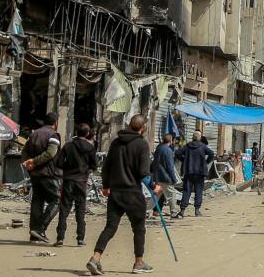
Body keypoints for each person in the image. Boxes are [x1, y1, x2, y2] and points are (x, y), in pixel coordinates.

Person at [87, 115, 158, 275]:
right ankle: (138, 263)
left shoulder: (116, 143)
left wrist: (105, 186)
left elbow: (106, 168)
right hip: (133, 194)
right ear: (143, 127)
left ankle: (95, 258)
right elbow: (143, 173)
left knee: (110, 227)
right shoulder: (142, 145)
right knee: (139, 229)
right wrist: (154, 186)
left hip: (116, 193)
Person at [55, 122, 98, 247]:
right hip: (81, 181)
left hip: (68, 180)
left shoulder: (68, 146)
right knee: (80, 208)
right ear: (88, 133)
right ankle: (80, 238)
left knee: (64, 208)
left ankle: (60, 238)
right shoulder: (90, 148)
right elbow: (94, 165)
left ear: (75, 133)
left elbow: (59, 163)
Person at [21, 112, 62, 244]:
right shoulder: (53, 135)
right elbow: (50, 153)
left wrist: (28, 162)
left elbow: (24, 151)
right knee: (56, 201)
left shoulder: (34, 134)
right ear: (55, 123)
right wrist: (34, 161)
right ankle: (39, 229)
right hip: (48, 174)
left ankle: (34, 234)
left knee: (37, 201)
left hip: (35, 174)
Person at [174, 131, 215, 217]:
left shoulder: (187, 147)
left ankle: (182, 210)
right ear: (200, 138)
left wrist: (183, 160)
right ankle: (197, 210)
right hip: (200, 172)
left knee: (186, 190)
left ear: (193, 137)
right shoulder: (203, 147)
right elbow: (211, 154)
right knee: (198, 191)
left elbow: (177, 153)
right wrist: (206, 162)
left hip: (188, 172)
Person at [150, 132, 177, 216]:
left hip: (157, 176)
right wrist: (173, 179)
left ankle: (145, 211)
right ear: (171, 141)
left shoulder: (158, 148)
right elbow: (170, 167)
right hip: (165, 177)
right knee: (171, 194)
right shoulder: (168, 151)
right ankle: (173, 212)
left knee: (156, 195)